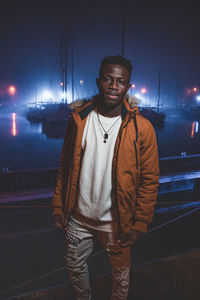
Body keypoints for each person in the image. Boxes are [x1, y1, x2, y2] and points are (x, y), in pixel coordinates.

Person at [52, 55, 159, 300]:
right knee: (74, 266)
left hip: (118, 222)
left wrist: (140, 222)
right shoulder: (79, 120)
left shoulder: (142, 128)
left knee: (120, 276)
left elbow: (150, 180)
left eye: (120, 81)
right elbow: (65, 167)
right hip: (78, 218)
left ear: (128, 86)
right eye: (109, 79)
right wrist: (59, 206)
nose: (114, 86)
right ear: (99, 82)